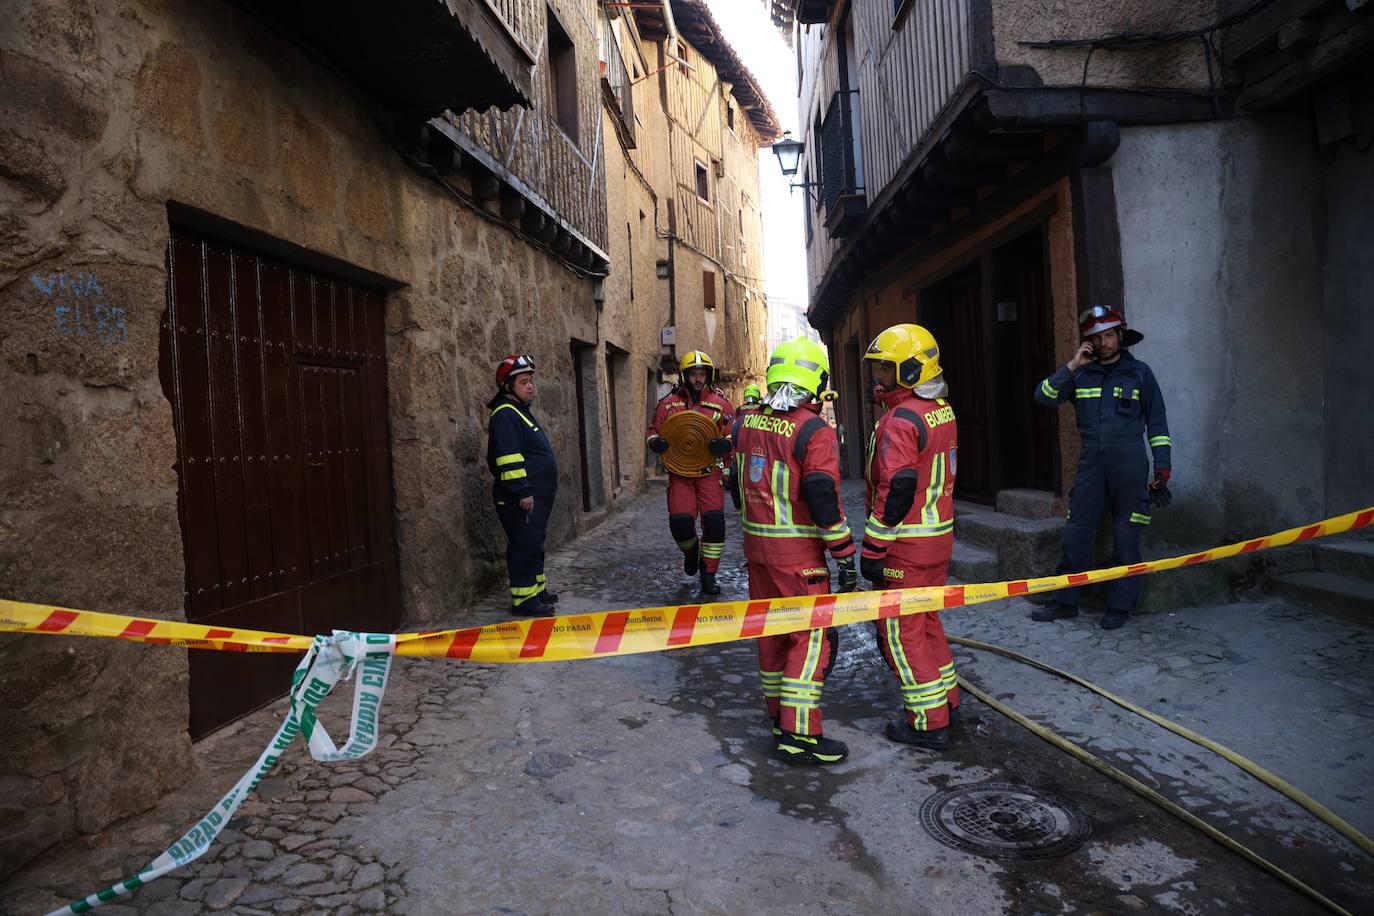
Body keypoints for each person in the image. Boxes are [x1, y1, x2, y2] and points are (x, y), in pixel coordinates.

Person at [735, 337, 857, 766]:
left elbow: (737, 483)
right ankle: (800, 735)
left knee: (771, 636)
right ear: (816, 382)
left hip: (758, 551)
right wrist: (844, 555)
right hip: (798, 558)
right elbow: (823, 499)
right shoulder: (813, 429)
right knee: (811, 640)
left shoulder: (749, 421)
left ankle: (778, 718)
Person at [1032, 306, 1172, 630]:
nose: (1104, 342)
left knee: (1126, 537)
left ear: (1120, 336)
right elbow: (1043, 396)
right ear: (1089, 343)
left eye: (1109, 335)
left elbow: (1158, 422)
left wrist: (1162, 466)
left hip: (1131, 464)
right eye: (1097, 337)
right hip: (1091, 463)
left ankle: (1120, 607)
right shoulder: (1080, 374)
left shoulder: (1141, 374)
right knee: (1076, 534)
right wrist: (1071, 365)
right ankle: (1066, 602)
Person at [859, 324, 961, 750]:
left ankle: (927, 722)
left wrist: (874, 547)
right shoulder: (941, 409)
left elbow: (897, 488)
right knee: (928, 620)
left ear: (908, 370)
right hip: (937, 538)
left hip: (905, 546)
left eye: (884, 369)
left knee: (901, 632)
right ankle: (948, 701)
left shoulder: (900, 420)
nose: (877, 378)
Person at [646, 351, 735, 595]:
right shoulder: (668, 404)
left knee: (715, 524)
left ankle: (708, 574)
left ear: (708, 375)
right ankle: (691, 552)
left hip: (709, 474)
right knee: (681, 523)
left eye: (702, 374)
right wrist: (655, 443)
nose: (698, 379)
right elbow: (653, 432)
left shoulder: (721, 404)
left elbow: (734, 434)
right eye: (693, 374)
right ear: (685, 376)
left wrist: (726, 445)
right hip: (680, 474)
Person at [486, 354, 558, 616]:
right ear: (508, 386)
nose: (530, 387)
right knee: (524, 544)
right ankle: (524, 600)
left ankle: (537, 590)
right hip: (520, 497)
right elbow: (508, 457)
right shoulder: (505, 415)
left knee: (535, 541)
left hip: (534, 495)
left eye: (531, 382)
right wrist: (523, 490)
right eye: (523, 382)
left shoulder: (518, 411)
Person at [726, 384, 763, 511]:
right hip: (758, 445)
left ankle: (739, 504)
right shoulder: (761, 408)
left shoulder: (740, 410)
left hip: (741, 445)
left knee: (736, 472)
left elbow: (735, 427)